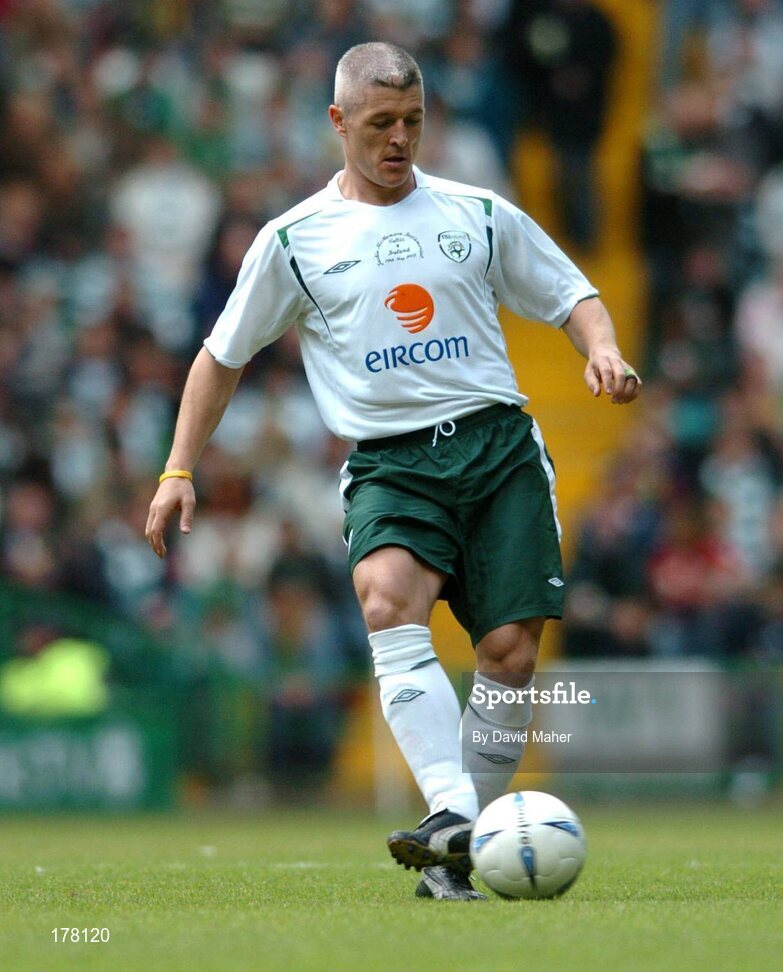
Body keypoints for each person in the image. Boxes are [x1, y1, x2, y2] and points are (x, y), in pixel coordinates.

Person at [145, 41, 641, 901]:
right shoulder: (294, 240)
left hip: (496, 446)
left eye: (413, 121)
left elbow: (571, 292)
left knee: (510, 655)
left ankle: (457, 860)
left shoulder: (477, 212)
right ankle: (454, 814)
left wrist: (603, 350)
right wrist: (177, 468)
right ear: (339, 122)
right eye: (380, 124)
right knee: (385, 600)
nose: (399, 140)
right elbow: (220, 358)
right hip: (390, 461)